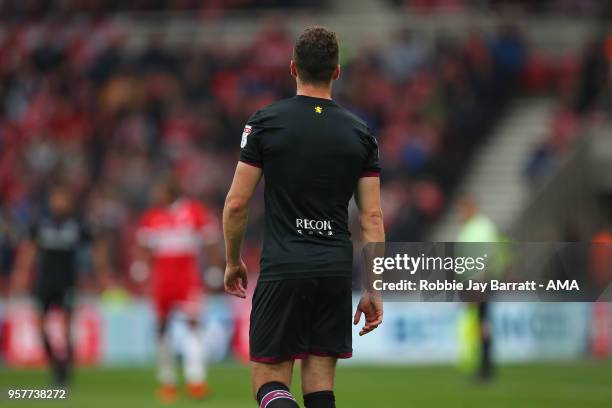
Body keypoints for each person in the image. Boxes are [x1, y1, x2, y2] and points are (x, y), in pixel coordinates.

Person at [223, 26, 385, 408]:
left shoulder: (266, 123)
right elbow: (372, 216)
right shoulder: (361, 133)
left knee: (268, 379)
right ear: (337, 71)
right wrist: (373, 286)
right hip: (333, 270)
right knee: (320, 387)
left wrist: (232, 261)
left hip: (284, 267)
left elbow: (235, 204)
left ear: (293, 68)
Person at [11, 184, 108, 386]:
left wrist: (100, 274)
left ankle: (65, 368)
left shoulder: (77, 224)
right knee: (40, 325)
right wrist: (21, 273)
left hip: (67, 282)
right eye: (56, 198)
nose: (59, 203)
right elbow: (29, 249)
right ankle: (56, 363)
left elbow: (94, 248)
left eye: (63, 199)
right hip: (44, 281)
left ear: (69, 201)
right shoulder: (41, 223)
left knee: (66, 328)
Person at [135, 178, 220, 402]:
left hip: (187, 280)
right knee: (162, 329)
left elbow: (210, 241)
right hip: (162, 281)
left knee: (193, 325)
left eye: (159, 190)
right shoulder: (151, 217)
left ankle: (196, 381)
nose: (155, 195)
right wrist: (141, 267)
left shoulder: (194, 212)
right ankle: (167, 382)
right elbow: (144, 246)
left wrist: (213, 268)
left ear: (171, 191)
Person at [456, 195, 499, 381]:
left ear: (470, 208)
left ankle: (485, 366)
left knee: (482, 323)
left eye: (463, 210)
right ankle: (483, 365)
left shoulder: (481, 228)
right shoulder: (473, 227)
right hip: (474, 283)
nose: (460, 214)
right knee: (481, 323)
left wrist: (477, 284)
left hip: (480, 284)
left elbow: (484, 257)